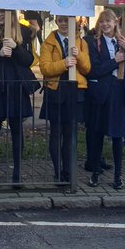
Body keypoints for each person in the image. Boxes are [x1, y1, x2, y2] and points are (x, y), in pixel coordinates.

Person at [0, 9, 36, 186]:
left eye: (4, 12)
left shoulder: (23, 32)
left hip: (16, 87)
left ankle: (17, 174)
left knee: (17, 131)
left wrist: (16, 47)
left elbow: (29, 60)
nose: (1, 15)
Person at [38, 14, 90, 184]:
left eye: (67, 20)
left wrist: (79, 56)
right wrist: (63, 63)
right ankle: (57, 171)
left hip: (75, 90)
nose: (63, 24)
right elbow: (45, 68)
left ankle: (68, 171)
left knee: (70, 133)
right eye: (60, 20)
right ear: (56, 22)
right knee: (56, 132)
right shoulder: (49, 42)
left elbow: (87, 68)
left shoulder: (81, 42)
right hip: (56, 90)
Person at [84, 9, 125, 189]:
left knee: (118, 136)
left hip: (118, 94)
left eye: (108, 21)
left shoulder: (122, 41)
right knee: (97, 134)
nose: (105, 25)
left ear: (115, 22)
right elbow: (94, 70)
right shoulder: (94, 42)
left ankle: (118, 176)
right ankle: (95, 172)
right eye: (102, 22)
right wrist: (114, 61)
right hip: (101, 94)